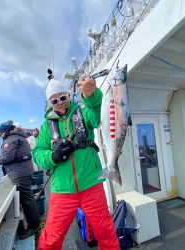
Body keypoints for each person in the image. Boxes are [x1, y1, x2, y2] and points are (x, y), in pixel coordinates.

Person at [33, 76, 119, 250]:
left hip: (91, 184)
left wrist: (92, 95)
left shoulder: (83, 112)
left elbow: (97, 114)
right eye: (54, 100)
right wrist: (53, 157)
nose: (60, 103)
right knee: (51, 238)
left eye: (63, 98)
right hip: (62, 189)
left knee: (105, 231)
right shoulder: (45, 127)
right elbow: (38, 153)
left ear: (68, 96)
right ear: (50, 103)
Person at [0, 120, 41, 239]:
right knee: (27, 198)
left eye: (1, 132)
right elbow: (14, 155)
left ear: (6, 131)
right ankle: (34, 223)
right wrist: (0, 158)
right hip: (24, 171)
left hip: (20, 174)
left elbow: (7, 158)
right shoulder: (17, 137)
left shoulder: (11, 140)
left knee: (27, 200)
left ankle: (35, 225)